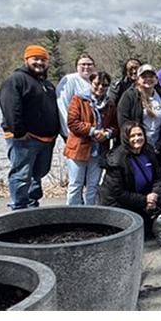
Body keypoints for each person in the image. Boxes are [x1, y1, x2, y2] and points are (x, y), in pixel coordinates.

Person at [0, 44, 59, 209]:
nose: (39, 62)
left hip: (45, 140)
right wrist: (19, 132)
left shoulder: (47, 85)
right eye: (35, 59)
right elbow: (11, 107)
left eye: (43, 60)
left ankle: (32, 209)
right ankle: (18, 210)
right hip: (24, 139)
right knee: (21, 175)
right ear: (26, 60)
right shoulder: (15, 80)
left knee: (36, 176)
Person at [101, 122, 161, 229]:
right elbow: (118, 193)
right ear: (126, 138)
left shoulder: (148, 151)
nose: (137, 138)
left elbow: (159, 177)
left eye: (140, 134)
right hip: (120, 204)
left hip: (142, 198)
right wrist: (145, 200)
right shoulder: (117, 160)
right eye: (132, 136)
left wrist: (154, 194)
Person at [58, 53, 106, 206]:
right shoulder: (71, 85)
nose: (86, 67)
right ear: (76, 66)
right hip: (77, 143)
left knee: (93, 185)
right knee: (75, 184)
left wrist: (107, 133)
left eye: (89, 64)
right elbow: (67, 115)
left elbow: (111, 123)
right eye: (82, 64)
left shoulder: (107, 101)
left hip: (98, 147)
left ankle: (91, 214)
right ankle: (73, 215)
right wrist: (72, 135)